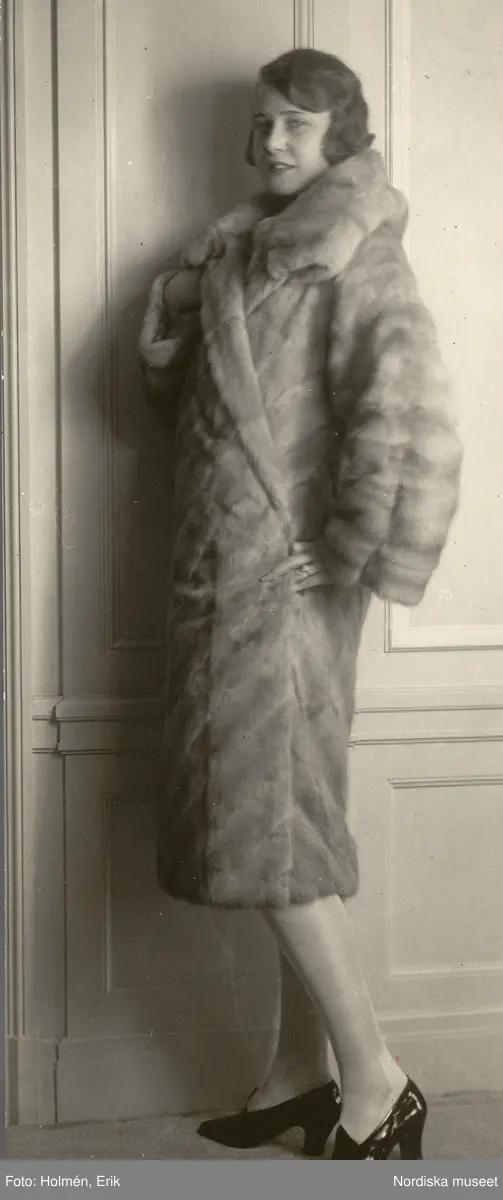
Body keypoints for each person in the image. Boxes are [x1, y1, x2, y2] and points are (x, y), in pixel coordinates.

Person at [139, 48, 463, 1160]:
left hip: (282, 591)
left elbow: (405, 412)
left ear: (340, 136)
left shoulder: (356, 252)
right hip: (218, 581)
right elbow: (187, 402)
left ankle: (378, 1080)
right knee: (277, 837)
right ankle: (298, 1074)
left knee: (273, 834)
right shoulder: (242, 253)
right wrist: (183, 311)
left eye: (295, 123)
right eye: (264, 121)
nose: (271, 141)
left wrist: (347, 545)